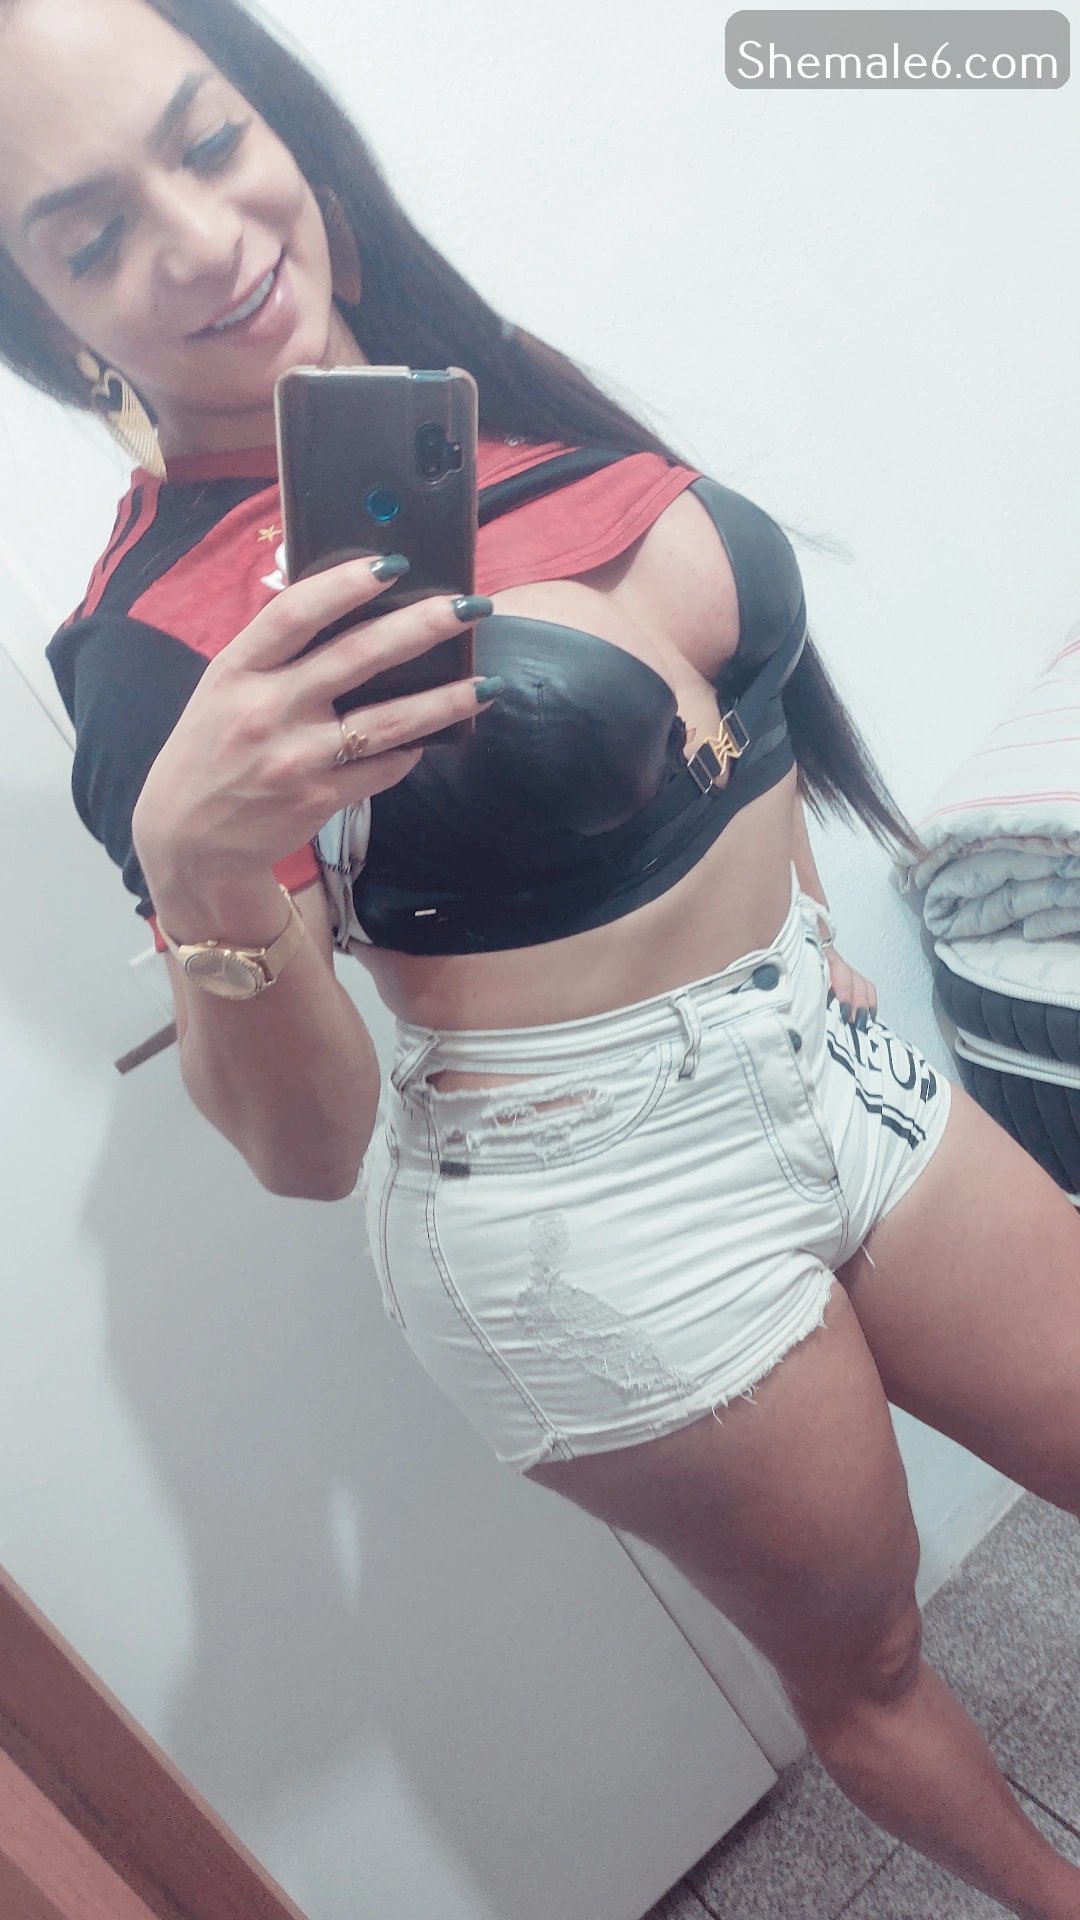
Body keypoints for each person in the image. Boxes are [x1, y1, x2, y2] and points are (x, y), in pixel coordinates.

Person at [3, 1, 1080, 1912]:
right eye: (92, 235)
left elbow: (727, 714)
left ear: (288, 127)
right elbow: (305, 1148)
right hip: (591, 1211)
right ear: (48, 318)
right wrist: (199, 860)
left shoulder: (490, 403)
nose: (202, 237)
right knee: (873, 1655)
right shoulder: (156, 652)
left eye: (209, 138)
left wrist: (809, 939)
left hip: (818, 1061)